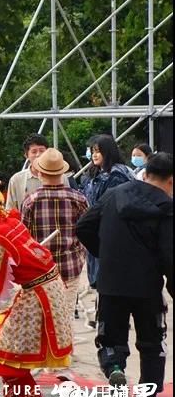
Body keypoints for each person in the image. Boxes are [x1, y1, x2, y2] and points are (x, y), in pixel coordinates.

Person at [76, 152, 172, 397]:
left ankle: (116, 370)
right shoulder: (166, 207)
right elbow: (169, 254)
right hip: (148, 288)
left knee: (110, 340)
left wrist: (105, 254)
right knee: (152, 346)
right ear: (171, 180)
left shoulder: (114, 195)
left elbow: (83, 226)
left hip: (111, 284)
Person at [0, 186, 72, 397]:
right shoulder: (8, 220)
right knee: (0, 332)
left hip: (39, 293)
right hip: (47, 286)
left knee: (6, 347)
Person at [21, 148, 88, 352]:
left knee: (43, 312)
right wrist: (80, 252)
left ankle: (45, 353)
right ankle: (64, 352)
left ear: (40, 173)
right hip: (71, 265)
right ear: (63, 173)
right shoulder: (78, 199)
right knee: (65, 313)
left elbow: (24, 236)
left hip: (41, 269)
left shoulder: (31, 200)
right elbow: (88, 230)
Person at [80, 134, 134, 328]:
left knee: (112, 276)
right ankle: (103, 315)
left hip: (113, 231)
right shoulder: (94, 174)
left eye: (98, 150)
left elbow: (112, 205)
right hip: (97, 230)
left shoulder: (117, 175)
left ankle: (114, 317)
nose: (94, 155)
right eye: (92, 151)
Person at [6, 134, 63, 211]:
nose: (38, 154)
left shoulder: (61, 177)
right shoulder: (16, 179)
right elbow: (10, 210)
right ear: (26, 155)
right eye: (34, 151)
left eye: (42, 151)